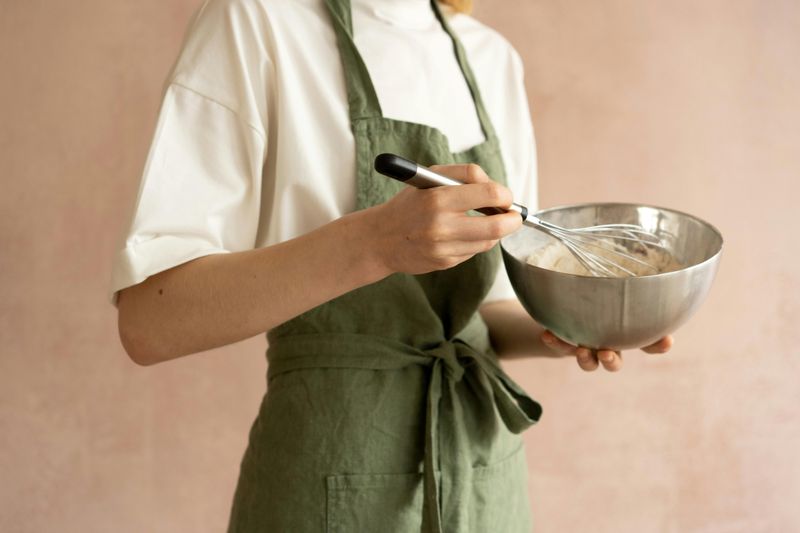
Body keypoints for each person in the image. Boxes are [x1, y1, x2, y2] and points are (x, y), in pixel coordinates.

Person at [110, 0, 673, 531]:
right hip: (328, 467)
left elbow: (487, 308)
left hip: (484, 474)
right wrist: (374, 243)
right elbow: (150, 322)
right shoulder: (258, 20)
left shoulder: (491, 58)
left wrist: (578, 322)